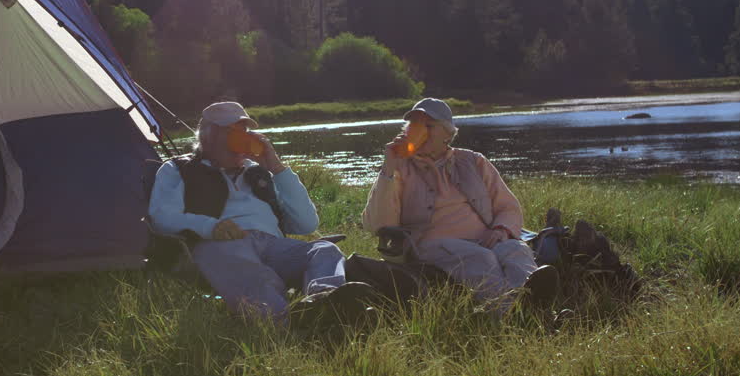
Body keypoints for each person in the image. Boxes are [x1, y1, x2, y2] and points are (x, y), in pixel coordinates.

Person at [149, 101, 375, 324]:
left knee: (324, 250)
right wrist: (210, 227)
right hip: (220, 245)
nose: (241, 138)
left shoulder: (258, 174)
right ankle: (291, 324)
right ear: (207, 137)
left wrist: (276, 168)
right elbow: (161, 217)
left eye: (244, 131)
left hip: (272, 245)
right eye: (231, 132)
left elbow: (307, 223)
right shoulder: (178, 169)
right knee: (254, 274)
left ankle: (324, 303)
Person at [361, 98, 558, 311]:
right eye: (415, 126)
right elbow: (379, 224)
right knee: (481, 258)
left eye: (428, 126)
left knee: (514, 249)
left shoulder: (473, 161)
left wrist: (501, 230)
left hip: (485, 238)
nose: (420, 131)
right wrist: (388, 169)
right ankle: (511, 314)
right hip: (432, 246)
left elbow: (507, 206)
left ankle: (537, 309)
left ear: (447, 133)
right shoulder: (399, 169)